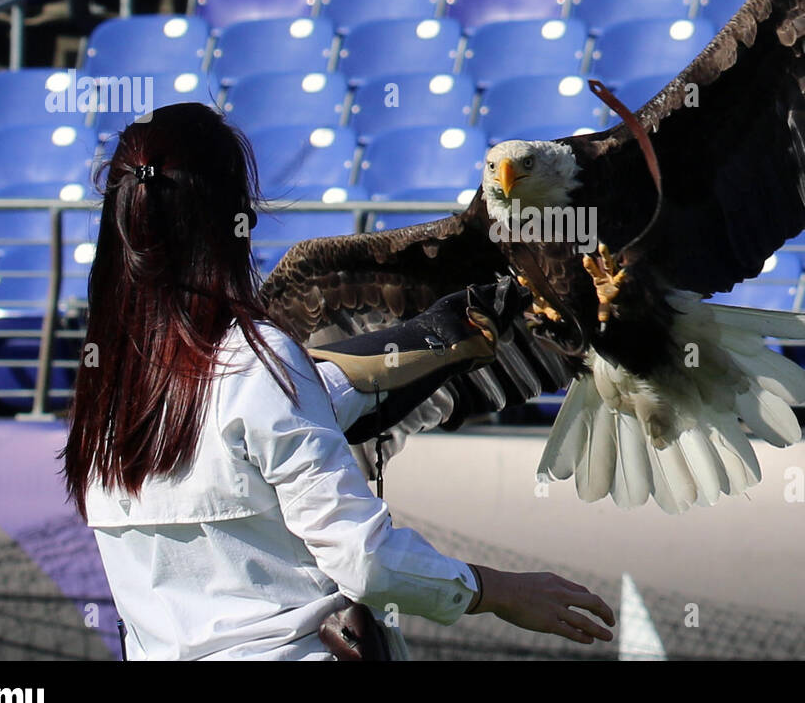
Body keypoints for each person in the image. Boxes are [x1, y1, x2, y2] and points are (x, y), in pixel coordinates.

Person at [62, 104, 615, 660]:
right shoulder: (256, 360)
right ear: (232, 220)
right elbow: (364, 560)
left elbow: (240, 432)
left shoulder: (106, 384)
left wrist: (424, 342)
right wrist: (502, 591)